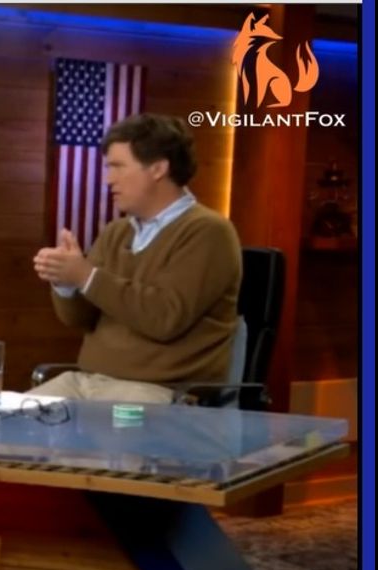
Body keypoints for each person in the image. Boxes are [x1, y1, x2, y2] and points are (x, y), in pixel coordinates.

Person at [32, 113, 241, 404]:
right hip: (86, 381)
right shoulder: (116, 232)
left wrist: (86, 276)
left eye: (118, 167)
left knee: (90, 433)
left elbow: (165, 318)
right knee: (0, 421)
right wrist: (66, 282)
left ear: (158, 168)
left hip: (158, 390)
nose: (109, 180)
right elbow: (81, 319)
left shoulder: (208, 232)